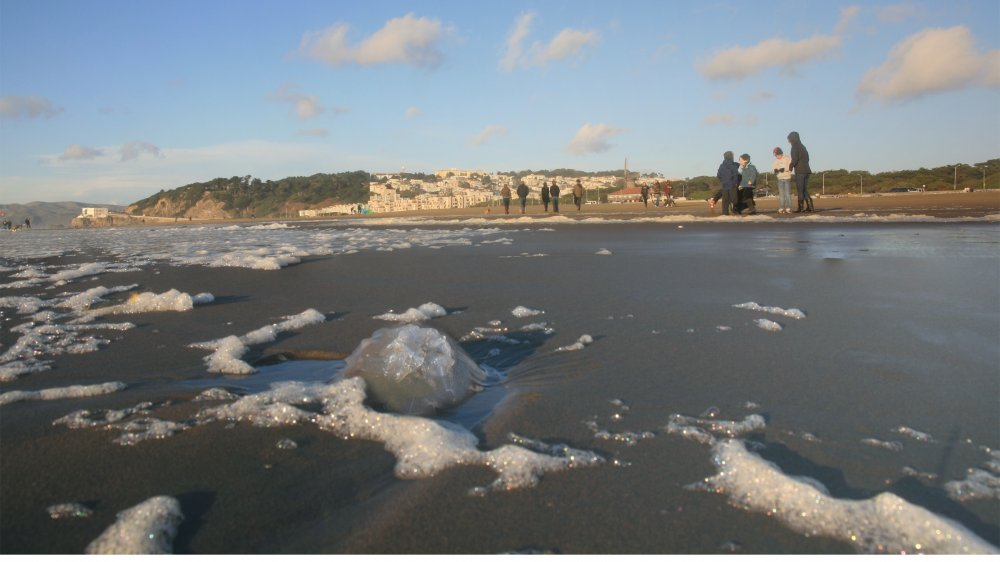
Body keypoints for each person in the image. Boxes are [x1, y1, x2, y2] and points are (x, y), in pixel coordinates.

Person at [788, 131, 814, 212]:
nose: (788, 141)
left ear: (792, 139)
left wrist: (790, 166)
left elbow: (795, 159)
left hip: (800, 171)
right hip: (807, 170)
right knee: (804, 190)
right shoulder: (803, 146)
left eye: (789, 139)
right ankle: (810, 207)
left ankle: (800, 208)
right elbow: (808, 158)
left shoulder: (794, 147)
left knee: (800, 190)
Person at [715, 151, 739, 215]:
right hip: (732, 185)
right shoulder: (733, 165)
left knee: (725, 200)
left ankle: (725, 213)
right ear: (731, 157)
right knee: (734, 199)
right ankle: (735, 210)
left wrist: (723, 180)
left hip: (724, 185)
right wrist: (735, 182)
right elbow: (735, 174)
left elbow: (718, 175)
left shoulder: (721, 165)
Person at [772, 147, 793, 213]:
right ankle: (781, 207)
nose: (777, 156)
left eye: (777, 155)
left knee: (787, 193)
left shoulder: (787, 158)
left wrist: (784, 169)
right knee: (781, 194)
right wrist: (775, 170)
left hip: (787, 178)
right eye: (775, 155)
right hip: (780, 178)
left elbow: (790, 167)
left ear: (780, 153)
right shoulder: (776, 160)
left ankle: (788, 207)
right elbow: (774, 167)